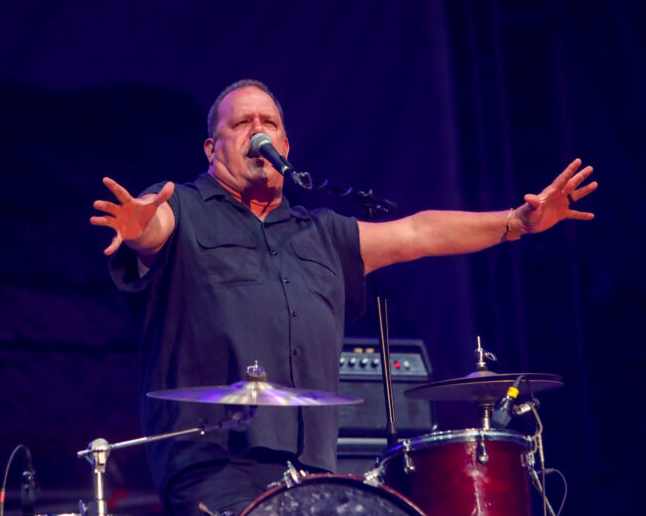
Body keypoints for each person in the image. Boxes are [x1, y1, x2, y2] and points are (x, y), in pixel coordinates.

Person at [90, 79, 597, 515]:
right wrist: (139, 227)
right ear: (211, 148)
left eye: (268, 122)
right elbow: (154, 224)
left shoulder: (322, 234)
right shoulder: (184, 207)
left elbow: (419, 232)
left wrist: (516, 222)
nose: (257, 129)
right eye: (241, 123)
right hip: (213, 467)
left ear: (285, 145)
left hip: (311, 473)